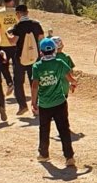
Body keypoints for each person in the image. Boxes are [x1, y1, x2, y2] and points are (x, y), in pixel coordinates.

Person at [31, 37, 78, 166]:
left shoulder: (37, 66)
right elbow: (70, 78)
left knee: (44, 129)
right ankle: (69, 157)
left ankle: (44, 154)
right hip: (60, 102)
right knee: (64, 129)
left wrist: (33, 102)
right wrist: (74, 84)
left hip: (45, 104)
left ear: (41, 52)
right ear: (54, 50)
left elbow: (35, 85)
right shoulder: (59, 63)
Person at [8, 4, 46, 115]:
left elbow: (13, 41)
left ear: (18, 14)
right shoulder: (36, 24)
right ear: (27, 12)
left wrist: (7, 34)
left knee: (18, 82)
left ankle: (22, 105)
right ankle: (36, 107)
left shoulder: (18, 26)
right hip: (35, 57)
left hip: (20, 58)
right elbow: (42, 39)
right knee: (35, 81)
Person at [0, 0, 20, 93]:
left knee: (3, 65)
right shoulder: (17, 12)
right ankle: (18, 86)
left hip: (4, 44)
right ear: (12, 1)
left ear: (4, 2)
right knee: (17, 66)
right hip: (17, 44)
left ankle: (9, 83)